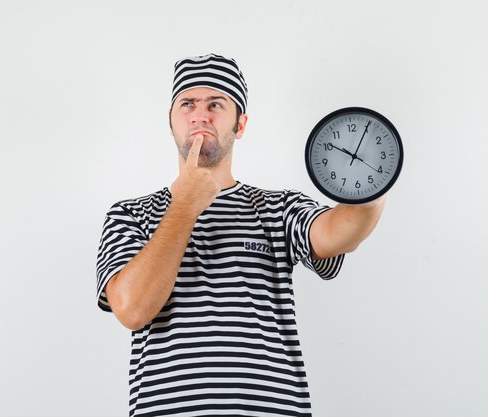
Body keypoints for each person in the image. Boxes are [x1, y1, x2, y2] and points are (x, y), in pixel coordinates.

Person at [96, 53, 385, 417]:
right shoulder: (130, 215)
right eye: (187, 104)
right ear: (171, 122)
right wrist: (185, 206)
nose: (200, 115)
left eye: (216, 104)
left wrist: (373, 182)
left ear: (241, 124)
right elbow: (132, 309)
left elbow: (338, 234)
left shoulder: (277, 208)